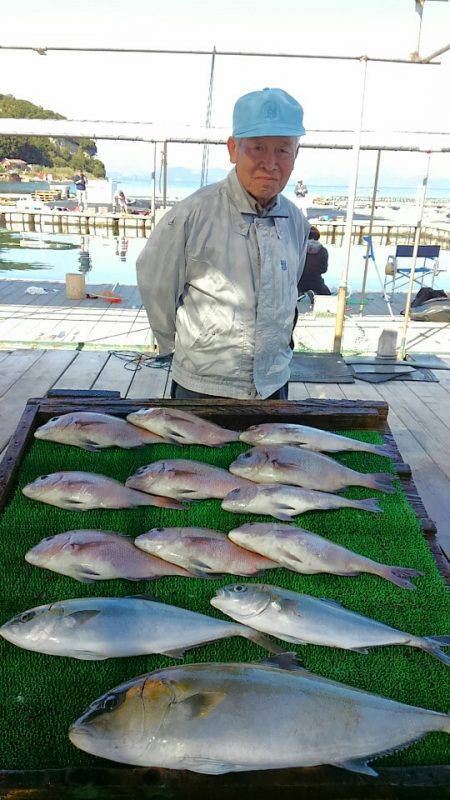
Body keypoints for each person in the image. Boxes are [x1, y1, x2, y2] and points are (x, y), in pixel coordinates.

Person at [136, 87, 309, 400]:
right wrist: (172, 344)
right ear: (233, 149)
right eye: (257, 148)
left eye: (283, 150)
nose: (270, 163)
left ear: (296, 154)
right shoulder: (192, 215)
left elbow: (292, 286)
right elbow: (156, 285)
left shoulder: (296, 222)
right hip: (202, 388)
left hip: (273, 386)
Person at [298, 226, 331, 295]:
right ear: (317, 237)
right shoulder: (323, 250)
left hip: (300, 281)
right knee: (327, 296)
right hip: (316, 280)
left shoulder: (300, 249)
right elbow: (324, 269)